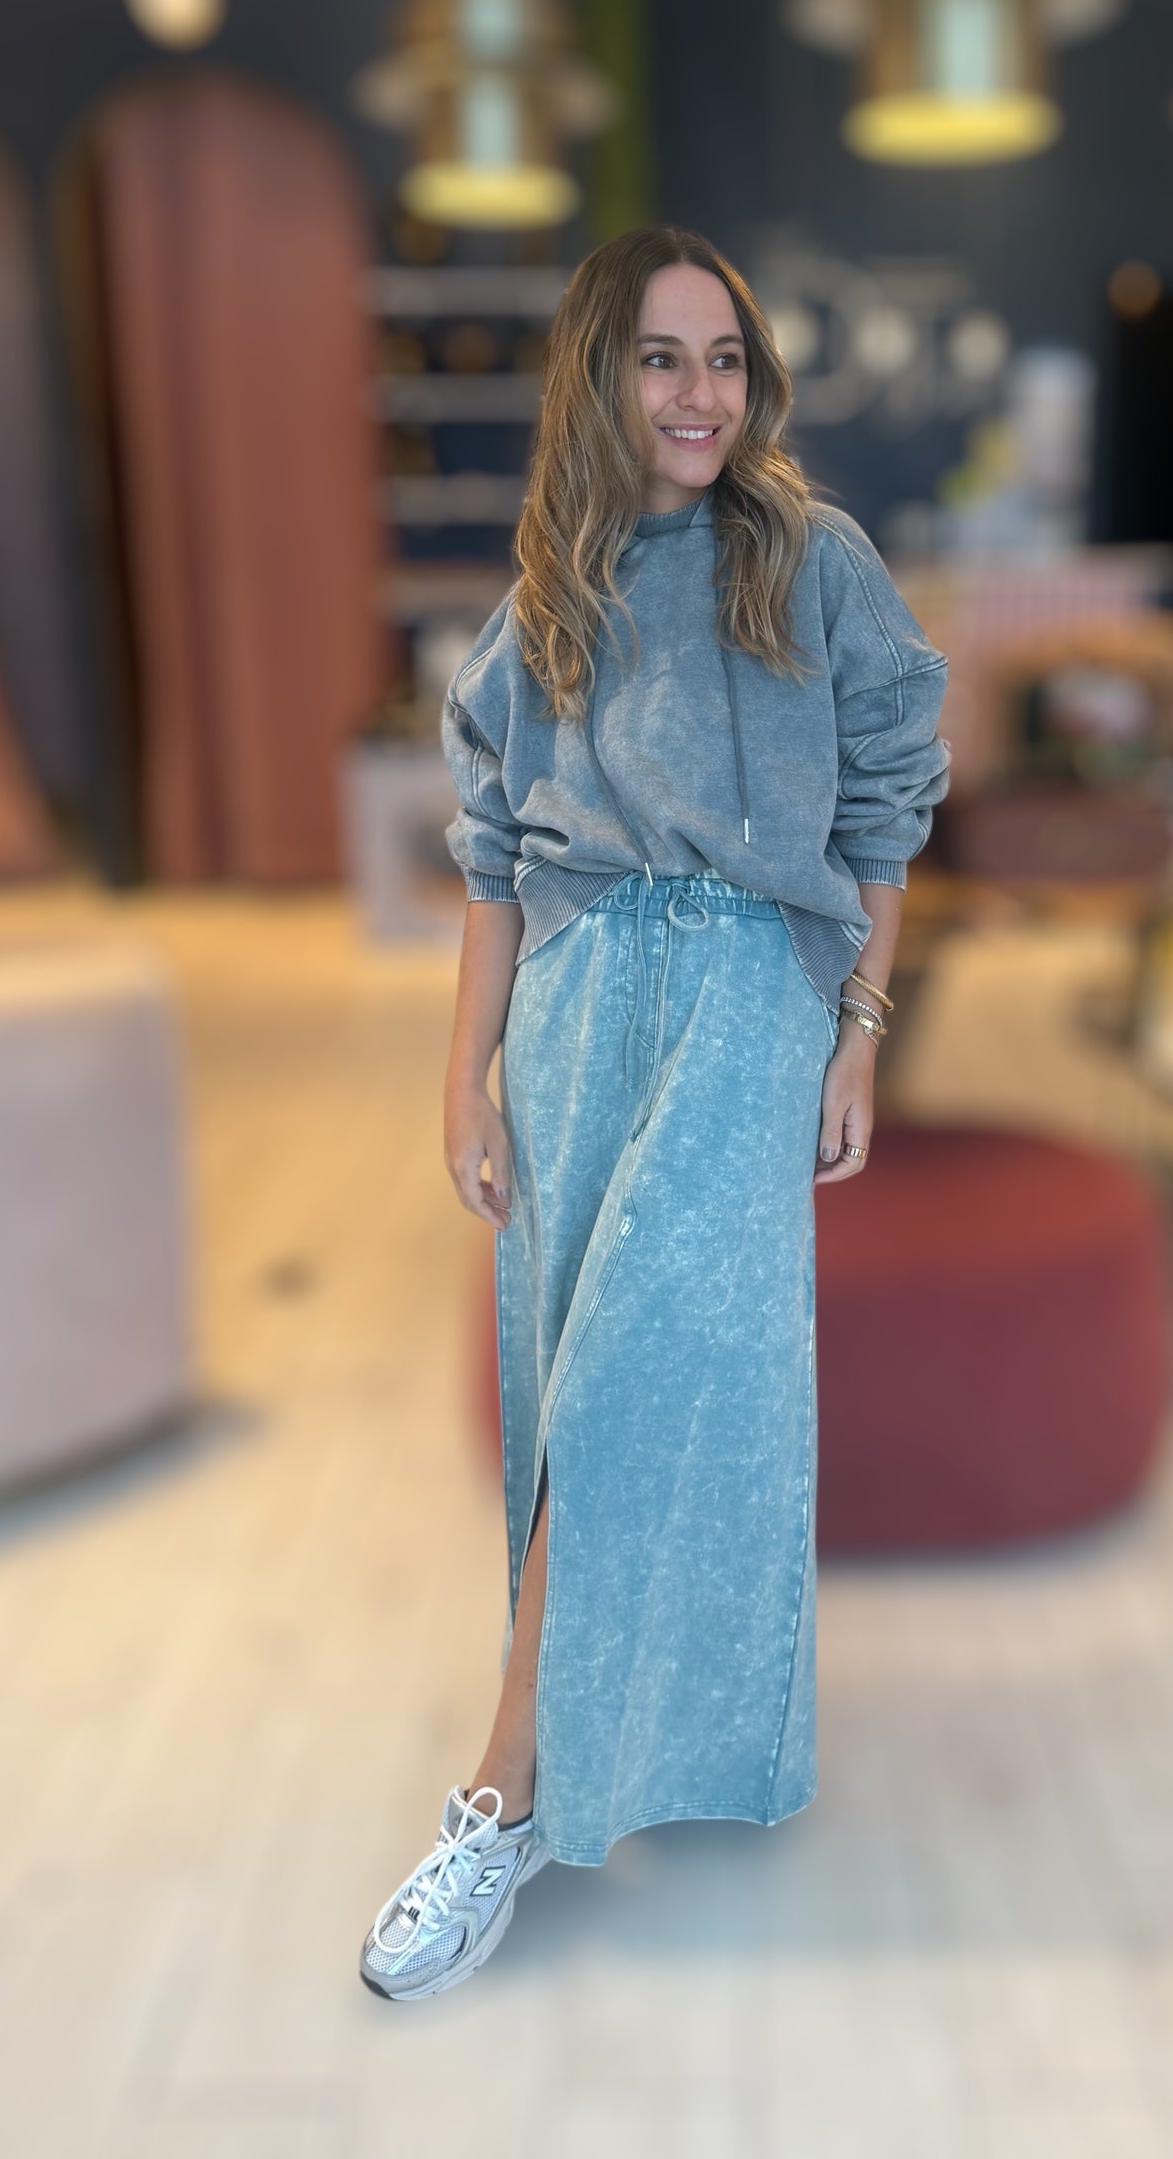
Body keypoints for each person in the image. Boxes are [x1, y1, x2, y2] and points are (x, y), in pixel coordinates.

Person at [358, 226, 950, 2000]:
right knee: (572, 1389)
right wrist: (464, 1072)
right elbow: (492, 857)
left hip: (748, 997)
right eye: (662, 358)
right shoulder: (551, 591)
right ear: (600, 379)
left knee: (641, 1379)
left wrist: (858, 1029)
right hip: (575, 1003)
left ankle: (500, 1795)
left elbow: (888, 808)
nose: (700, 395)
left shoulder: (816, 562)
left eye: (725, 359)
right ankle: (591, 1759)